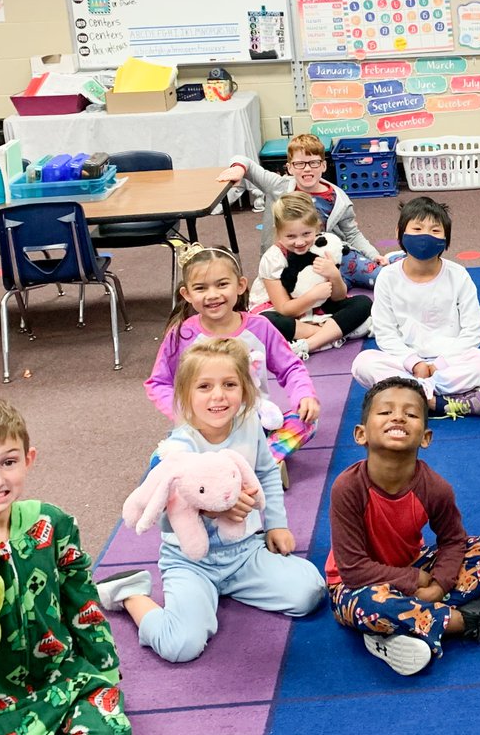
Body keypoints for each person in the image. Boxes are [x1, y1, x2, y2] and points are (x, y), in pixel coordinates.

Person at [96, 338, 325, 663]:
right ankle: (130, 593)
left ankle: (223, 591)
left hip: (245, 552)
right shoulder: (175, 450)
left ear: (245, 390)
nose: (218, 395)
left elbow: (267, 472)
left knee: (310, 592)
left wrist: (276, 524)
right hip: (191, 561)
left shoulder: (248, 426)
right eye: (205, 386)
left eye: (229, 384)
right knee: (180, 645)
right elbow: (160, 509)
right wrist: (214, 509)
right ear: (186, 397)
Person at [0, 397, 131, 735]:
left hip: (58, 682)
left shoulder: (51, 522)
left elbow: (83, 599)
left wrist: (105, 671)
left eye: (9, 461)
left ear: (29, 459)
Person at [326, 377, 480, 676]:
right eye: (385, 412)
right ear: (360, 434)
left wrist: (438, 586)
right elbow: (354, 570)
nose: (398, 417)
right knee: (371, 605)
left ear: (426, 437)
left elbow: (454, 541)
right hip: (354, 586)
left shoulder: (435, 488)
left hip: (414, 573)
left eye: (411, 413)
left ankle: (402, 627)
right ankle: (471, 621)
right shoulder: (347, 488)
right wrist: (417, 579)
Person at [146, 243, 319, 463]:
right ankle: (248, 464)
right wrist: (185, 415)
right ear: (187, 294)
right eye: (200, 288)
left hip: (256, 425)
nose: (213, 295)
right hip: (204, 429)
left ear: (240, 285)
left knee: (307, 422)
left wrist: (304, 395)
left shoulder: (260, 327)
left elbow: (291, 367)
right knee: (159, 459)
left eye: (222, 284)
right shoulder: (182, 334)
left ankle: (259, 462)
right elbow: (159, 382)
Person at [350, 196, 480, 419]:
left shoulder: (457, 275)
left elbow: (473, 330)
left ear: (446, 239)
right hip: (405, 363)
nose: (425, 236)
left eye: (435, 231)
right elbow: (385, 332)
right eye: (417, 228)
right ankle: (440, 402)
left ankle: (409, 397)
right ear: (400, 234)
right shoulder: (388, 277)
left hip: (449, 363)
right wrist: (414, 362)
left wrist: (439, 364)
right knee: (363, 363)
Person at [218, 133, 382, 284]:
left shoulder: (338, 199)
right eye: (300, 164)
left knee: (378, 277)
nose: (307, 168)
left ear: (324, 166)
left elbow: (352, 234)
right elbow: (244, 160)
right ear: (289, 168)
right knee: (310, 295)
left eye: (314, 162)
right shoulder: (278, 185)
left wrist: (373, 255)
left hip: (328, 256)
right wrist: (238, 168)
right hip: (287, 260)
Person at [247, 192, 373, 358]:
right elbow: (284, 310)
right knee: (266, 323)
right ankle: (331, 335)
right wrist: (312, 297)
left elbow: (339, 297)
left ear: (318, 228)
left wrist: (334, 275)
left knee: (363, 303)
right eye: (291, 236)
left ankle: (308, 344)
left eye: (306, 234)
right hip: (287, 312)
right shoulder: (273, 258)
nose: (299, 242)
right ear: (278, 233)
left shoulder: (323, 246)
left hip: (318, 306)